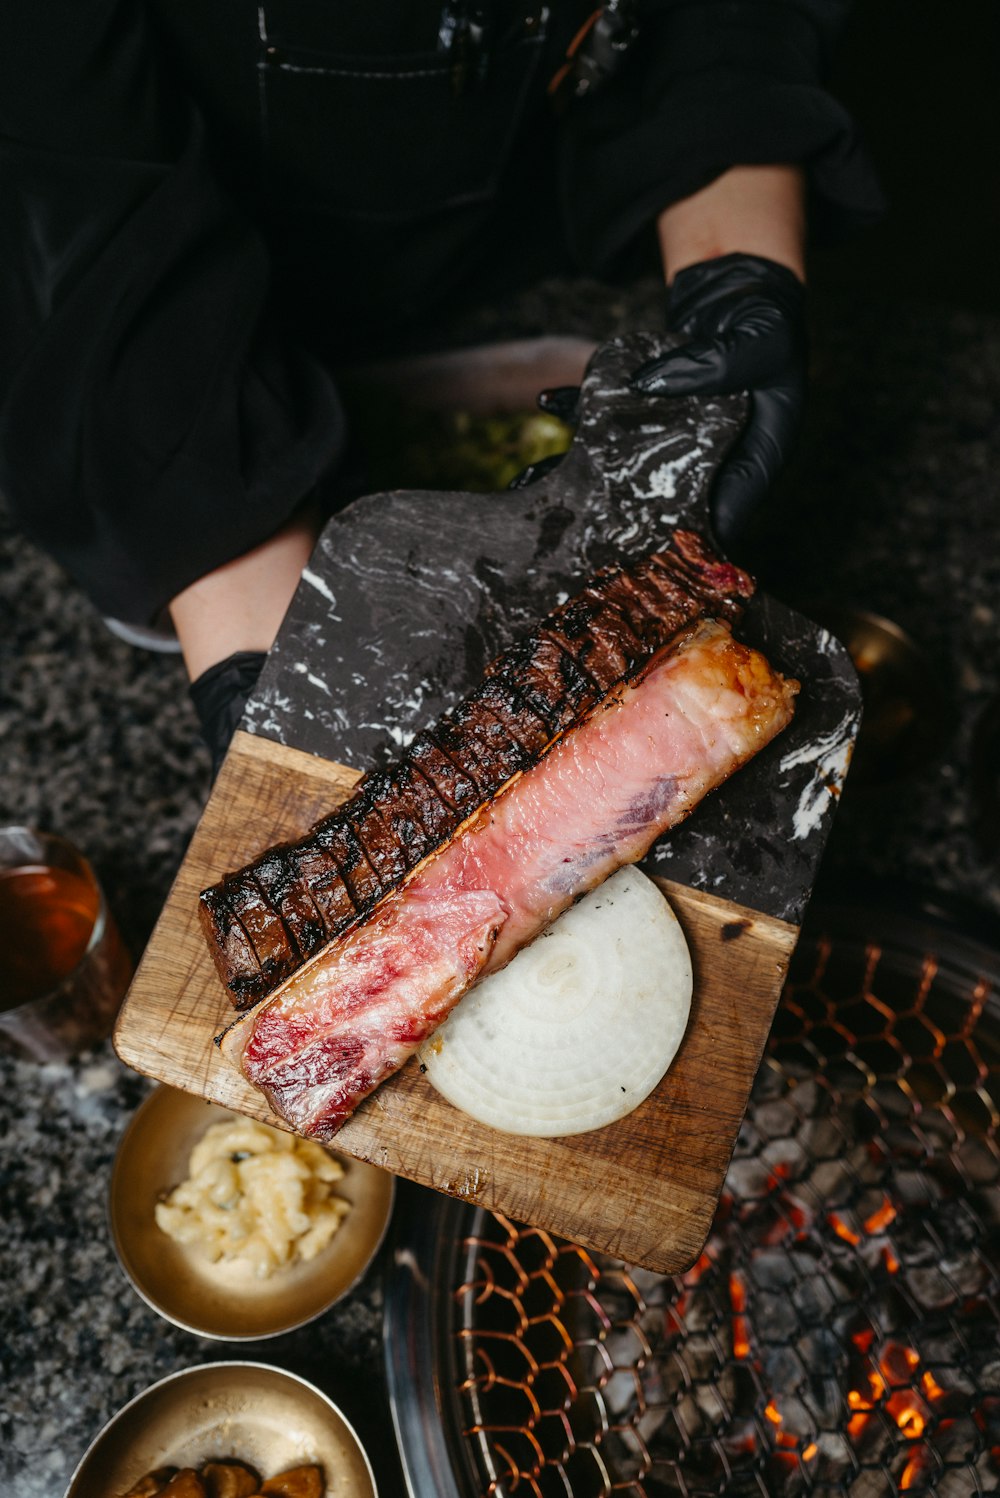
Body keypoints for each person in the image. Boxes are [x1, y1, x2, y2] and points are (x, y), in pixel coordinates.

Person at [0, 1, 882, 772]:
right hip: (147, 350)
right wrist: (268, 663)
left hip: (515, 233)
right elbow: (76, 181)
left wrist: (736, 272)